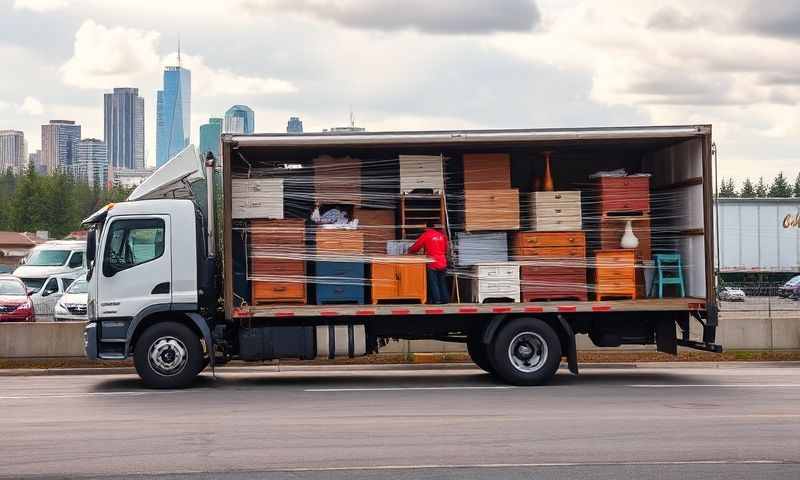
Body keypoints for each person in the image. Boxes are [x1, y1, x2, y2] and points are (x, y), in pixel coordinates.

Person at [408, 222, 449, 304]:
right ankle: (445, 299)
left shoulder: (426, 235)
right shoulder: (441, 235)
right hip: (442, 261)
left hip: (432, 262)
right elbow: (446, 248)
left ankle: (437, 300)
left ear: (426, 227)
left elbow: (416, 246)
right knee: (442, 282)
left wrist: (410, 250)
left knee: (434, 282)